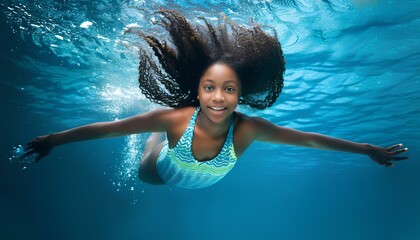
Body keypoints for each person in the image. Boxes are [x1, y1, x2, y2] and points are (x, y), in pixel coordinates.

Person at [22, 9, 408, 189]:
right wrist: (54, 141)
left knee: (161, 128)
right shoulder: (179, 119)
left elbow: (308, 139)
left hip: (207, 180)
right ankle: (152, 137)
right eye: (209, 88)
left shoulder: (249, 129)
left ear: (241, 94)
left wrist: (367, 148)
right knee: (147, 167)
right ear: (198, 91)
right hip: (164, 171)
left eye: (228, 89)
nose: (218, 98)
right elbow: (111, 129)